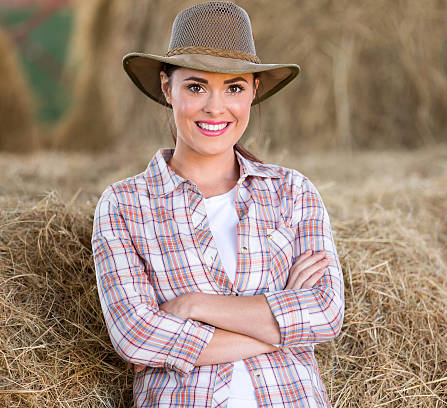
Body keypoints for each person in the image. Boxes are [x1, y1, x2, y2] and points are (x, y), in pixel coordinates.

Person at [91, 2, 344, 407]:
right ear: (166, 86)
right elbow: (135, 336)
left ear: (253, 92)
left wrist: (194, 306)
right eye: (195, 86)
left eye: (234, 87)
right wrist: (280, 326)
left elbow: (326, 313)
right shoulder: (124, 205)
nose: (215, 107)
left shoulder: (292, 192)